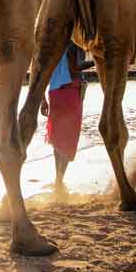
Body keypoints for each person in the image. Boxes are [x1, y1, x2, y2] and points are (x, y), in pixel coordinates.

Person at [41, 43, 91, 192]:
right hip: (71, 92)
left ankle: (58, 178)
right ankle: (59, 178)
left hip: (55, 91)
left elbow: (42, 71)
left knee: (57, 137)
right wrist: (100, 59)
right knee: (69, 137)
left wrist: (43, 99)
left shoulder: (53, 43)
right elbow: (76, 66)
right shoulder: (75, 43)